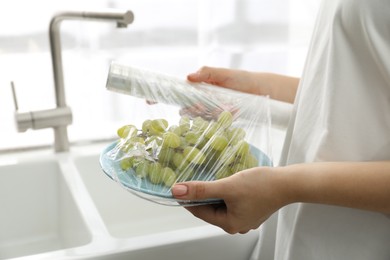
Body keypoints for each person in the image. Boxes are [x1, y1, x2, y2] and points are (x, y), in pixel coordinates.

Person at [171, 0, 390, 259]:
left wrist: (286, 186)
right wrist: (259, 87)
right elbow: (362, 86)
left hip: (361, 242)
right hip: (301, 232)